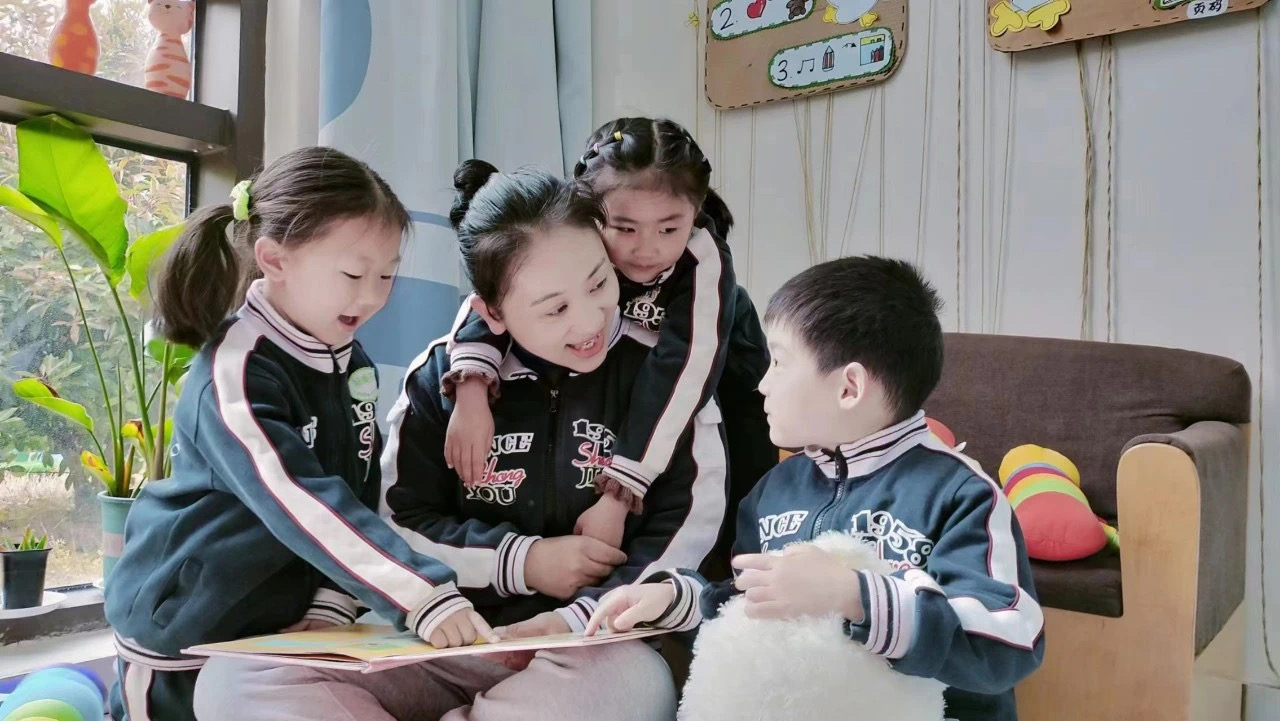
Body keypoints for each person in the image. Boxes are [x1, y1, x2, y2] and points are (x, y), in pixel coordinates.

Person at [195, 161, 727, 721]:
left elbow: (684, 533)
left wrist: (577, 617)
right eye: (555, 308)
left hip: (583, 646)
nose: (590, 319)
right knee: (234, 680)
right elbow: (396, 519)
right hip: (444, 639)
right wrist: (521, 562)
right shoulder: (438, 379)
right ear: (491, 312)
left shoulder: (665, 383)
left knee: (632, 682)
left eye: (599, 282)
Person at [104, 147, 490, 721]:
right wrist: (420, 592)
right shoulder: (235, 372)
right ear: (274, 260)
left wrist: (332, 605)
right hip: (187, 630)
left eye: (387, 275)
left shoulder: (347, 361)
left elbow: (357, 488)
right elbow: (299, 496)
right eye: (354, 274)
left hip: (272, 634)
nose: (372, 295)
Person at [588, 257, 1046, 721]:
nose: (762, 384)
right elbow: (750, 612)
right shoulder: (775, 491)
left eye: (778, 362)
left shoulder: (961, 495)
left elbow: (1010, 642)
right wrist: (676, 601)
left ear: (849, 388)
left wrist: (852, 594)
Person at [443, 119, 773, 567]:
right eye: (625, 229)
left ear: (695, 215)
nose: (646, 250)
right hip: (641, 377)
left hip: (721, 384)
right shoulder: (573, 228)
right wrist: (471, 387)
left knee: (736, 512)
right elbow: (497, 295)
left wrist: (621, 489)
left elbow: (682, 373)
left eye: (669, 229)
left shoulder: (703, 264)